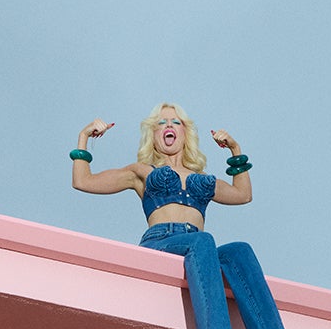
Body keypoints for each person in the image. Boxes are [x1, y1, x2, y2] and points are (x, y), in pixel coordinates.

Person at [69, 103, 252, 255]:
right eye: (162, 123)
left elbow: (242, 194)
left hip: (197, 248)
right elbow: (83, 181)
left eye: (175, 122)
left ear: (185, 133)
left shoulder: (201, 177)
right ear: (153, 135)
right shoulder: (142, 171)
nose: (169, 126)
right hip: (160, 242)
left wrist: (235, 149)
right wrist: (83, 137)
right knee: (203, 241)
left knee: (241, 251)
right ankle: (211, 300)